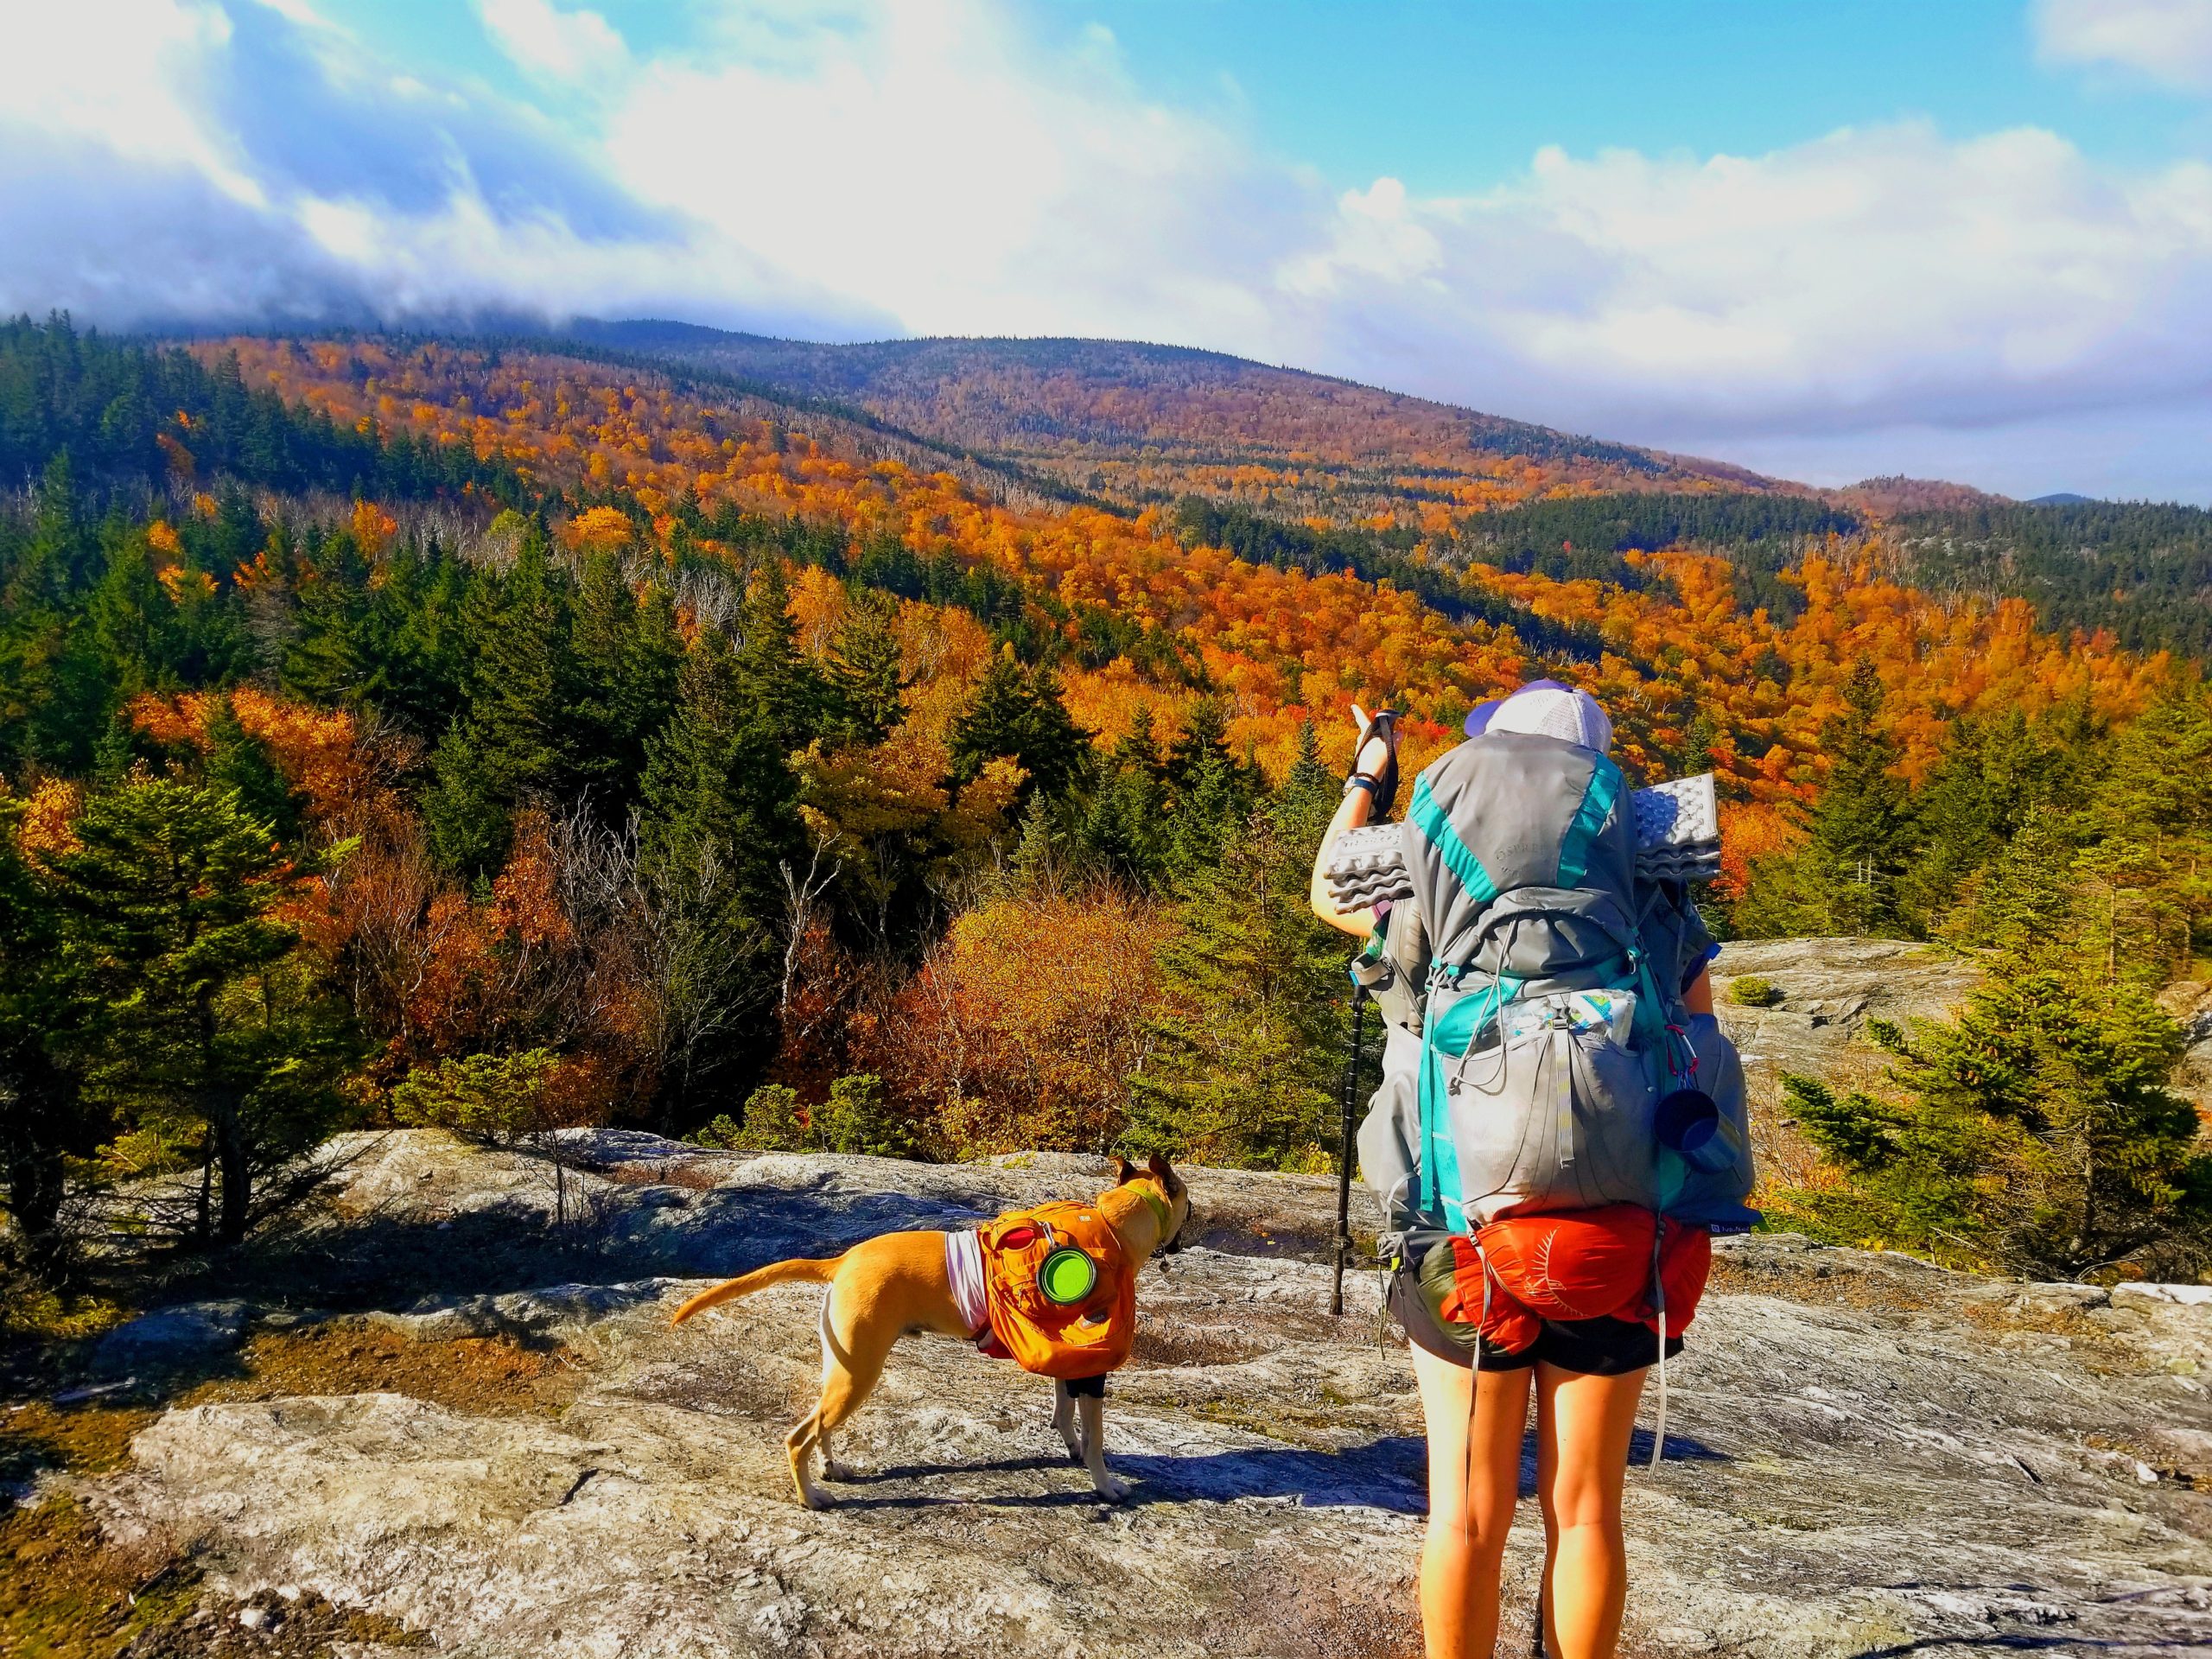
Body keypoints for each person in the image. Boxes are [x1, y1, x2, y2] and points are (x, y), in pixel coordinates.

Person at [1308, 684, 1723, 1659]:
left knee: (1463, 1515)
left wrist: (1371, 768)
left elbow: (1324, 887)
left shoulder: (1420, 891)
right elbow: (1699, 1041)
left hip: (1460, 1235)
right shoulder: (1657, 901)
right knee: (1584, 1514)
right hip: (1619, 1237)